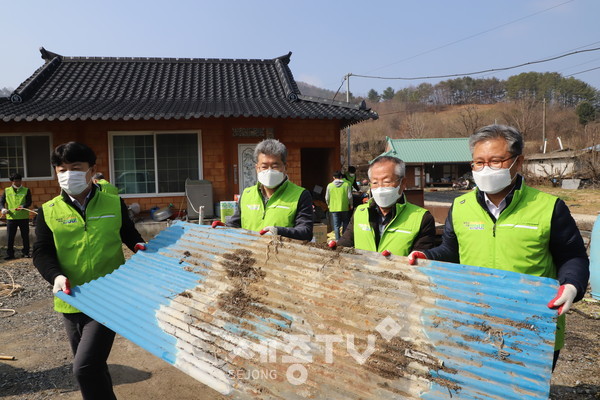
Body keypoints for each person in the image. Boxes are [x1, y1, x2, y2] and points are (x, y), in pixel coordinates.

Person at [407, 124, 590, 370]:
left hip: (533, 324)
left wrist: (571, 286)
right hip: (475, 320)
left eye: (496, 161)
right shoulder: (461, 206)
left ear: (518, 162)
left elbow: (573, 256)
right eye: (478, 163)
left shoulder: (548, 207)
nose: (486, 169)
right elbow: (450, 251)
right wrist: (426, 256)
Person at [32, 142, 146, 400]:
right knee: (93, 366)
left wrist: (144, 249)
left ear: (91, 170)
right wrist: (56, 276)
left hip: (109, 296)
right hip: (71, 297)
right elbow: (42, 252)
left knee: (83, 367)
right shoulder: (48, 211)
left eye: (75, 168)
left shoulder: (113, 203)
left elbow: (130, 236)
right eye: (61, 169)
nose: (67, 174)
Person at [332, 156, 436, 256]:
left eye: (386, 182)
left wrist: (394, 263)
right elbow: (345, 243)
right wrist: (334, 248)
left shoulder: (422, 218)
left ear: (403, 183)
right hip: (362, 272)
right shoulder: (360, 212)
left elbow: (421, 258)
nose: (380, 188)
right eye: (375, 182)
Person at [213, 138, 313, 240]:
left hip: (283, 254)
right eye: (264, 166)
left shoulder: (300, 195)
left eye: (274, 166)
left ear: (285, 168)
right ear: (257, 168)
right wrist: (225, 227)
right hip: (249, 253)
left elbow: (306, 232)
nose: (269, 171)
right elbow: (236, 224)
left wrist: (279, 232)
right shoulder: (247, 194)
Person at [1, 173, 32, 259]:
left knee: (25, 236)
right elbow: (1, 202)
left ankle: (26, 252)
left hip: (23, 217)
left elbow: (29, 202)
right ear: (12, 182)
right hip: (11, 218)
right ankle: (10, 254)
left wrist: (23, 206)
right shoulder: (7, 190)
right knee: (10, 237)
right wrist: (3, 209)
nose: (18, 183)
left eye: (19, 181)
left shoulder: (26, 190)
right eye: (16, 181)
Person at [325, 171, 352, 240]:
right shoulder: (346, 185)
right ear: (341, 177)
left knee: (336, 225)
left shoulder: (330, 185)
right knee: (345, 223)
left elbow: (327, 197)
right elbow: (349, 196)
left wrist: (329, 205)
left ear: (333, 177)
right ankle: (344, 239)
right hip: (344, 207)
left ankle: (337, 240)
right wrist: (351, 204)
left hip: (334, 208)